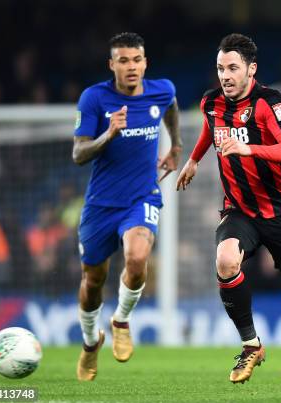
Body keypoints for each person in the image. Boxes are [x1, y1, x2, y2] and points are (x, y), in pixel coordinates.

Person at [176, 33, 281, 384]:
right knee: (225, 261)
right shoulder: (211, 102)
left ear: (251, 69)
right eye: (220, 68)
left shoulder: (271, 102)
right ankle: (251, 345)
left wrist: (248, 148)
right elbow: (212, 129)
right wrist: (193, 160)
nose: (225, 75)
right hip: (240, 210)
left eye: (233, 68)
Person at [72, 32, 182, 381]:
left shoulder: (161, 89)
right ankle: (91, 343)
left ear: (145, 63)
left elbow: (172, 104)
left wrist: (176, 144)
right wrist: (108, 136)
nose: (131, 66)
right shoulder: (94, 98)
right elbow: (78, 154)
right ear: (112, 65)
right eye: (123, 60)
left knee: (137, 259)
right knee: (93, 281)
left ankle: (120, 320)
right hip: (101, 205)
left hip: (141, 197)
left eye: (136, 60)